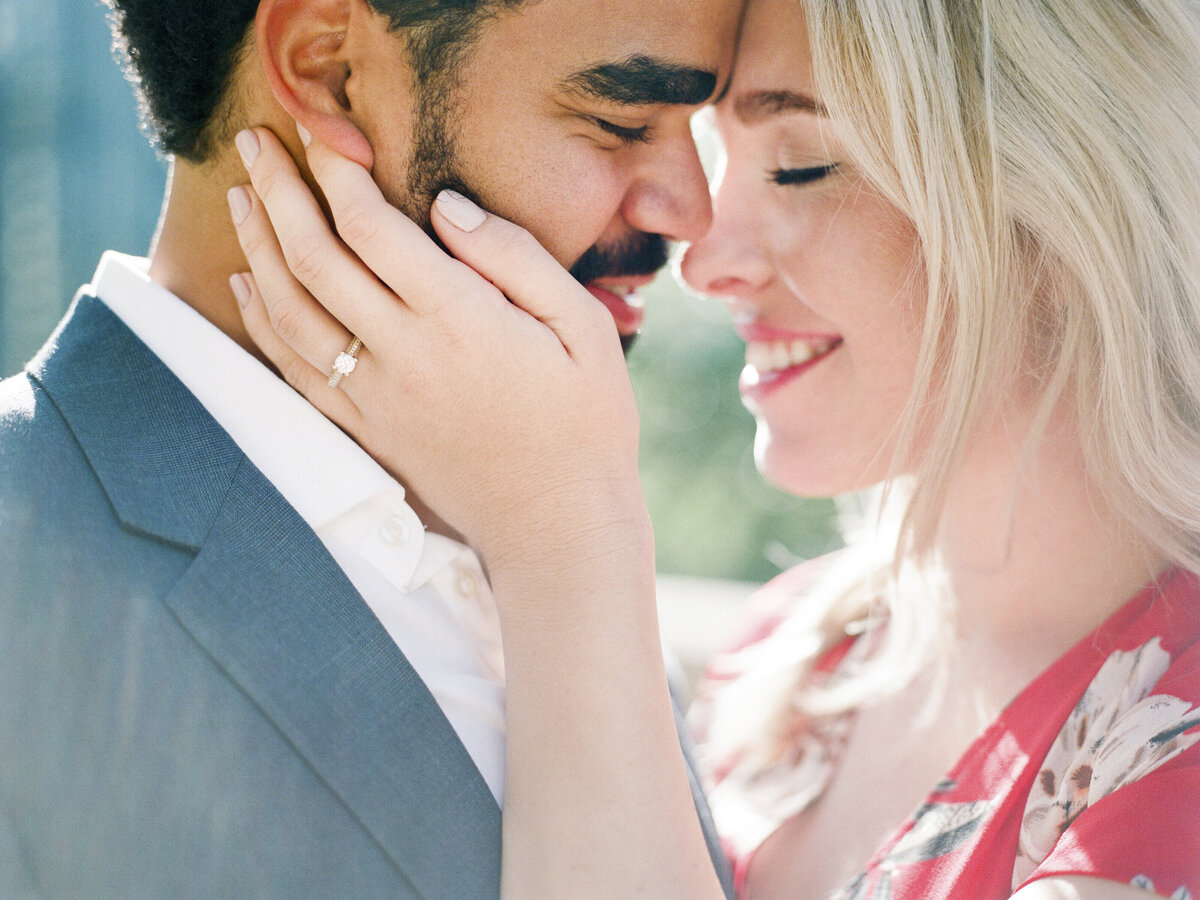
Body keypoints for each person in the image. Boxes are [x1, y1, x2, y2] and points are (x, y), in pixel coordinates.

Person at [226, 0, 1200, 896]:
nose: (702, 257)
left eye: (802, 165)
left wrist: (564, 540)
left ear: (1071, 219)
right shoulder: (777, 667)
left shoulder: (1176, 753)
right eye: (717, 153)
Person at [0, 0, 742, 895]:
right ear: (327, 69)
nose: (693, 212)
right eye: (621, 122)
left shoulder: (564, 503)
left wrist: (570, 540)